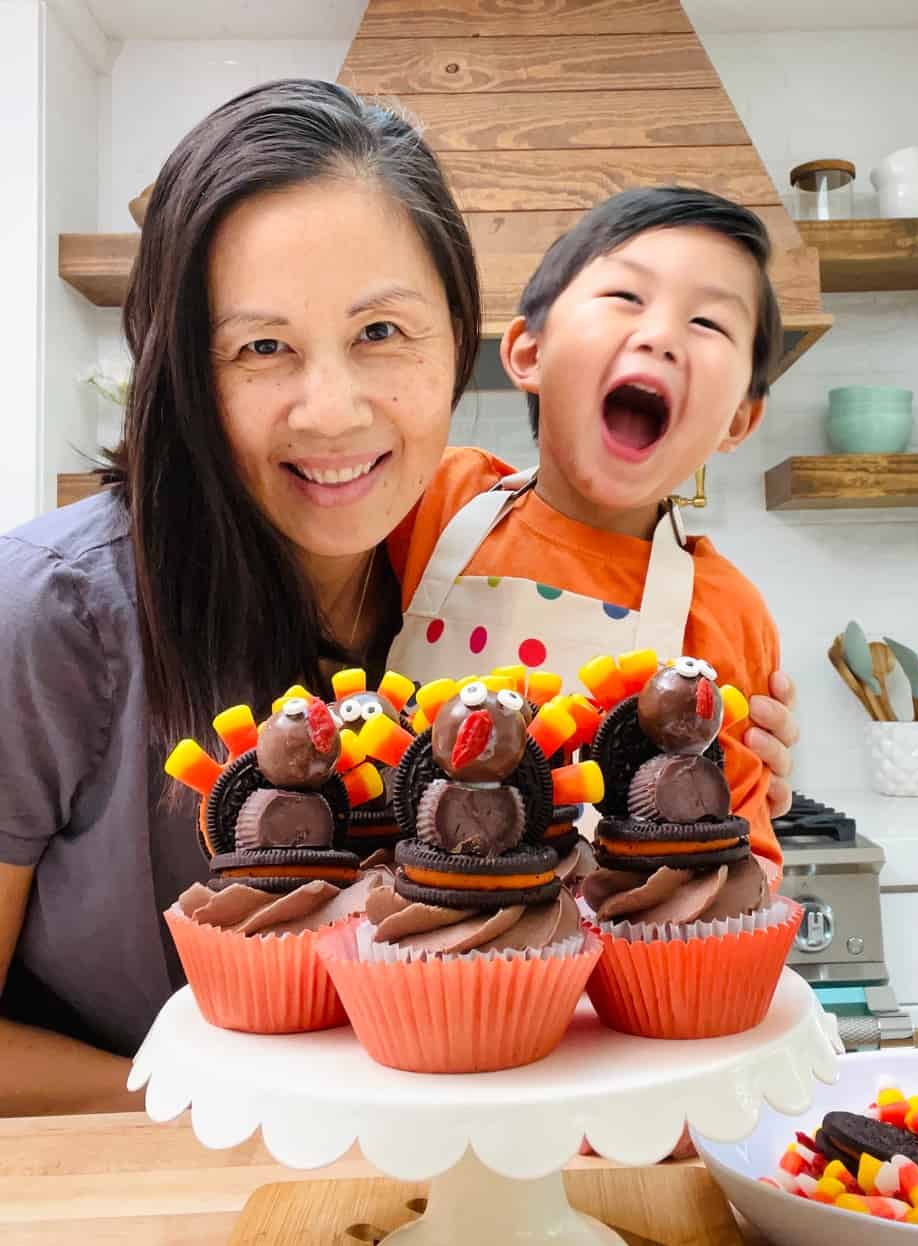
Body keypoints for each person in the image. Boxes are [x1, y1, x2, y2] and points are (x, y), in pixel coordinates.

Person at [0, 82, 796, 1117]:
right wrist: (254, 1117)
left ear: (459, 338)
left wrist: (712, 774)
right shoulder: (50, 617)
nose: (332, 411)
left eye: (381, 330)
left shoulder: (465, 575)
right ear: (180, 371)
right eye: (260, 346)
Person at [387, 188, 795, 868]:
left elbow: (738, 850)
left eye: (710, 323)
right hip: (402, 946)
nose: (660, 336)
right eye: (625, 298)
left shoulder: (724, 612)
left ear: (739, 422)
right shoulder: (432, 501)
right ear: (528, 353)